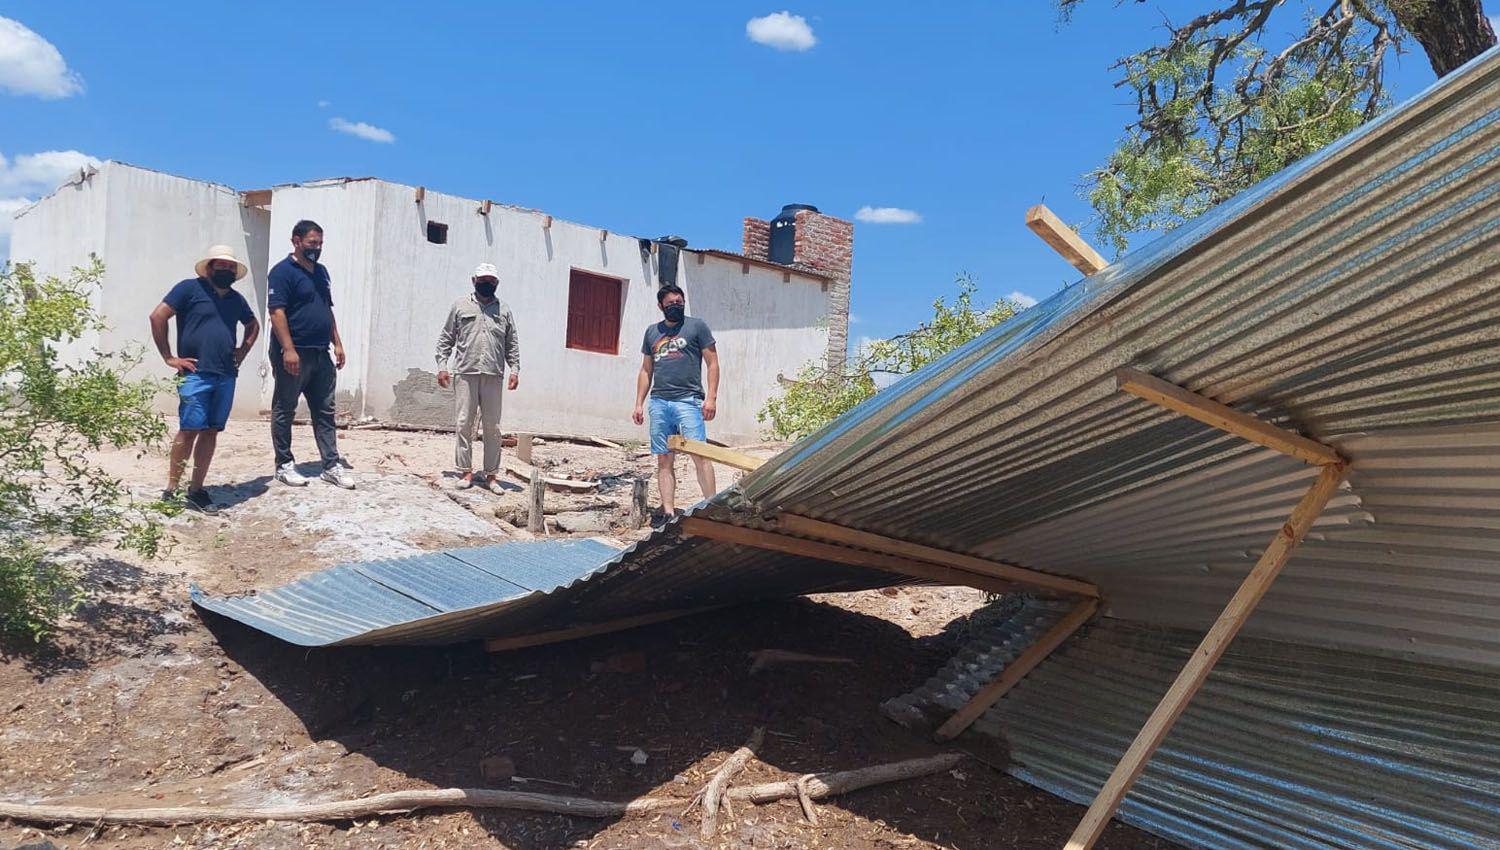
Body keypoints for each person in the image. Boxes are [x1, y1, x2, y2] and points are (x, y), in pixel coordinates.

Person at [148, 245, 260, 514]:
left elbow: (252, 325)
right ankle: (171, 489)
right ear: (209, 267)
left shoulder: (235, 299)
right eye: (221, 265)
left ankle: (196, 489)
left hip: (225, 375)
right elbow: (157, 316)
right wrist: (169, 357)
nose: (226, 269)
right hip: (195, 375)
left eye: (230, 266)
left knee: (211, 431)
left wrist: (242, 351)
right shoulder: (188, 289)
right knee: (188, 430)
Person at [267, 219, 354, 489]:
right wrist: (289, 349)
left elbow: (327, 309)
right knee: (285, 408)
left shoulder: (322, 272)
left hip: (321, 352)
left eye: (320, 243)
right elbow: (276, 312)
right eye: (311, 243)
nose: (316, 248)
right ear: (296, 241)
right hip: (294, 353)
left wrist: (337, 343)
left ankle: (331, 465)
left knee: (325, 410)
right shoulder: (282, 272)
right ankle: (284, 465)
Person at [632, 283, 719, 522]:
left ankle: (711, 507)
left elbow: (712, 363)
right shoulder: (652, 332)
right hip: (660, 402)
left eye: (679, 303)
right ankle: (668, 511)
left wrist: (710, 398)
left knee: (700, 454)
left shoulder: (697, 327)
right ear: (661, 306)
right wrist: (639, 403)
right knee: (664, 457)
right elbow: (646, 370)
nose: (675, 307)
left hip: (688, 401)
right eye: (670, 304)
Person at [435, 262, 521, 491]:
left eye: (491, 281)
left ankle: (491, 475)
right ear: (474, 281)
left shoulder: (504, 310)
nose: (486, 284)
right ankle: (465, 473)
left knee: (493, 427)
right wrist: (442, 365)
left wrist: (515, 370)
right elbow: (446, 338)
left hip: (493, 375)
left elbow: (512, 343)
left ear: (497, 283)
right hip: (465, 373)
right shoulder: (460, 306)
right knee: (464, 423)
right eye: (482, 280)